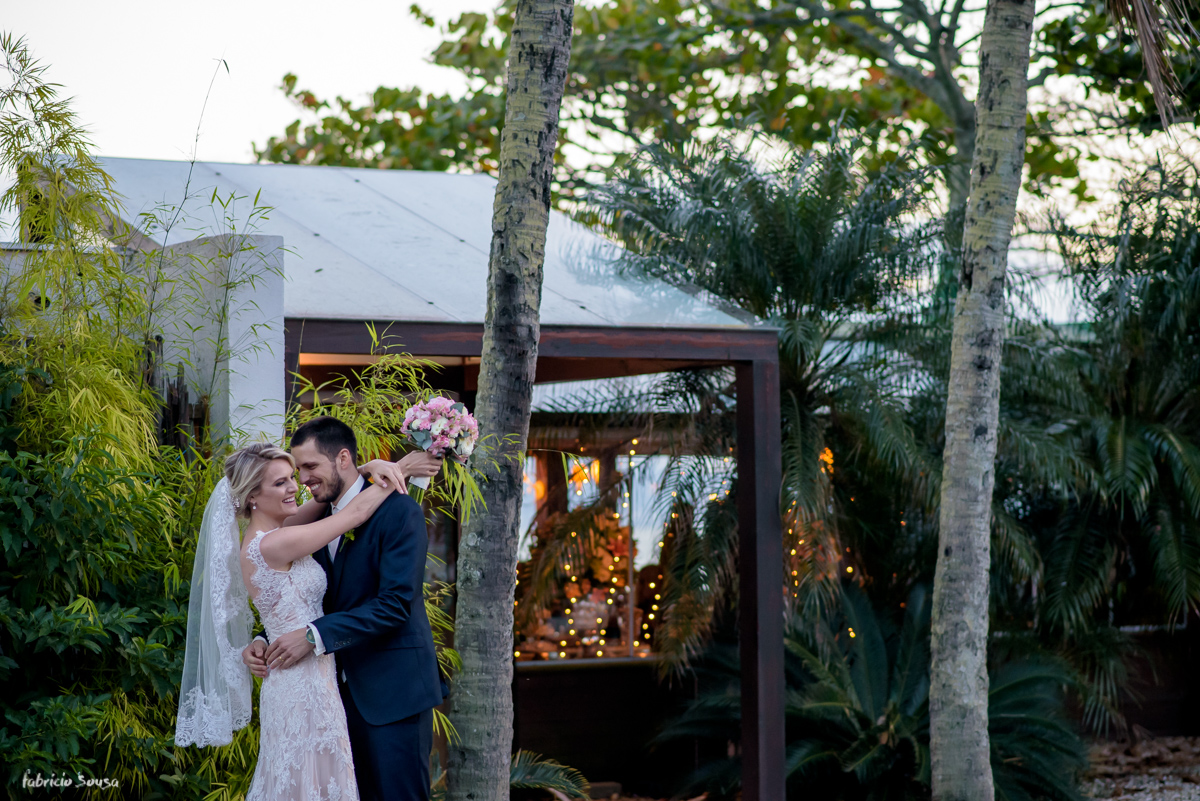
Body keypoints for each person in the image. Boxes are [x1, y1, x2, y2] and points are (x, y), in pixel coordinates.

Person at [175, 440, 412, 801]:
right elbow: (353, 515)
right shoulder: (271, 545)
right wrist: (404, 466)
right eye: (281, 483)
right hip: (301, 686)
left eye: (292, 478)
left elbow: (329, 498)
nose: (294, 487)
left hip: (311, 675)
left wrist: (364, 469)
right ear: (252, 496)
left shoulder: (274, 531)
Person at [243, 417, 445, 801]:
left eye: (309, 467)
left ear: (342, 458)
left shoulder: (400, 513)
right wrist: (263, 637)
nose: (302, 480)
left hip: (391, 694)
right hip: (329, 699)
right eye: (296, 470)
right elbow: (300, 597)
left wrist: (312, 637)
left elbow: (395, 604)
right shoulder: (315, 519)